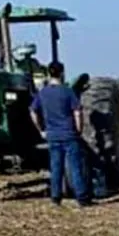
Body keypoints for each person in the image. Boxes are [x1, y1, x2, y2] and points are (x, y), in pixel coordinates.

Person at [30, 61, 91, 206]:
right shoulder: (67, 91)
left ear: (48, 74)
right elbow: (77, 112)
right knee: (75, 167)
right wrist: (79, 129)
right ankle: (82, 197)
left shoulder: (43, 93)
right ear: (62, 73)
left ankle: (56, 197)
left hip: (52, 135)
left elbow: (32, 111)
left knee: (56, 167)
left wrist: (41, 130)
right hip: (69, 134)